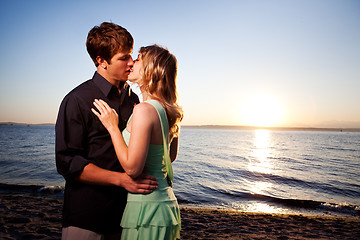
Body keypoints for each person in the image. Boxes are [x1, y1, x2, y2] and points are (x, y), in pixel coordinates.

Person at [55, 22, 158, 240]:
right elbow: (67, 163)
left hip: (127, 216)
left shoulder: (133, 99)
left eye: (132, 55)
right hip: (86, 218)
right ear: (101, 61)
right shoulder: (77, 100)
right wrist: (121, 179)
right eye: (124, 58)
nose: (131, 63)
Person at [92, 44, 183, 240]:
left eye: (139, 58)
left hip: (147, 209)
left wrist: (113, 127)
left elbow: (133, 169)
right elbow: (170, 156)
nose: (132, 62)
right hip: (165, 206)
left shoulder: (144, 110)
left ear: (152, 69)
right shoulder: (168, 109)